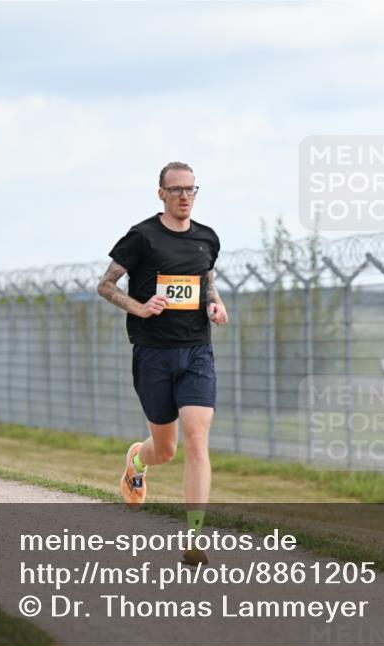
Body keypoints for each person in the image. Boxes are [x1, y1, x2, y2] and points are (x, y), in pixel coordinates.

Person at [97, 161, 229, 566]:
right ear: (161, 194)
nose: (184, 196)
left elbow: (207, 282)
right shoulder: (142, 238)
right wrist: (140, 307)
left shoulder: (207, 239)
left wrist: (216, 303)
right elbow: (105, 285)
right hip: (153, 353)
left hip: (196, 352)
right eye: (176, 190)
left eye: (191, 189)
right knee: (166, 449)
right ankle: (137, 460)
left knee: (196, 439)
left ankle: (194, 537)